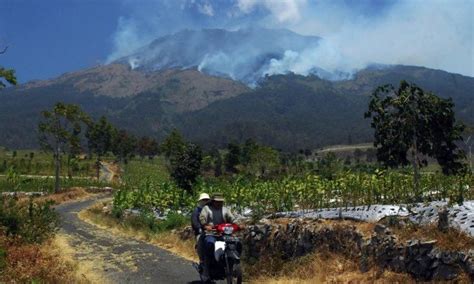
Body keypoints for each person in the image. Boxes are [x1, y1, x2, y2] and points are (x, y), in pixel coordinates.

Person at [199, 192, 235, 282]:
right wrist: (205, 225)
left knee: (234, 243)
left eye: (221, 202)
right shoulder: (207, 209)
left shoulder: (225, 209)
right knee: (210, 244)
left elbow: (232, 218)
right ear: (213, 201)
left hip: (224, 233)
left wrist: (238, 224)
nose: (219, 203)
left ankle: (231, 266)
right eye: (217, 202)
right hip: (211, 233)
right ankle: (206, 271)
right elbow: (202, 218)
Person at [191, 193, 210, 268]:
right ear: (200, 201)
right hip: (201, 232)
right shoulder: (197, 211)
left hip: (212, 231)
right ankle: (202, 260)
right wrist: (199, 228)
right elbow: (194, 222)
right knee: (200, 241)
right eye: (204, 200)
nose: (205, 201)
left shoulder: (211, 210)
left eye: (207, 200)